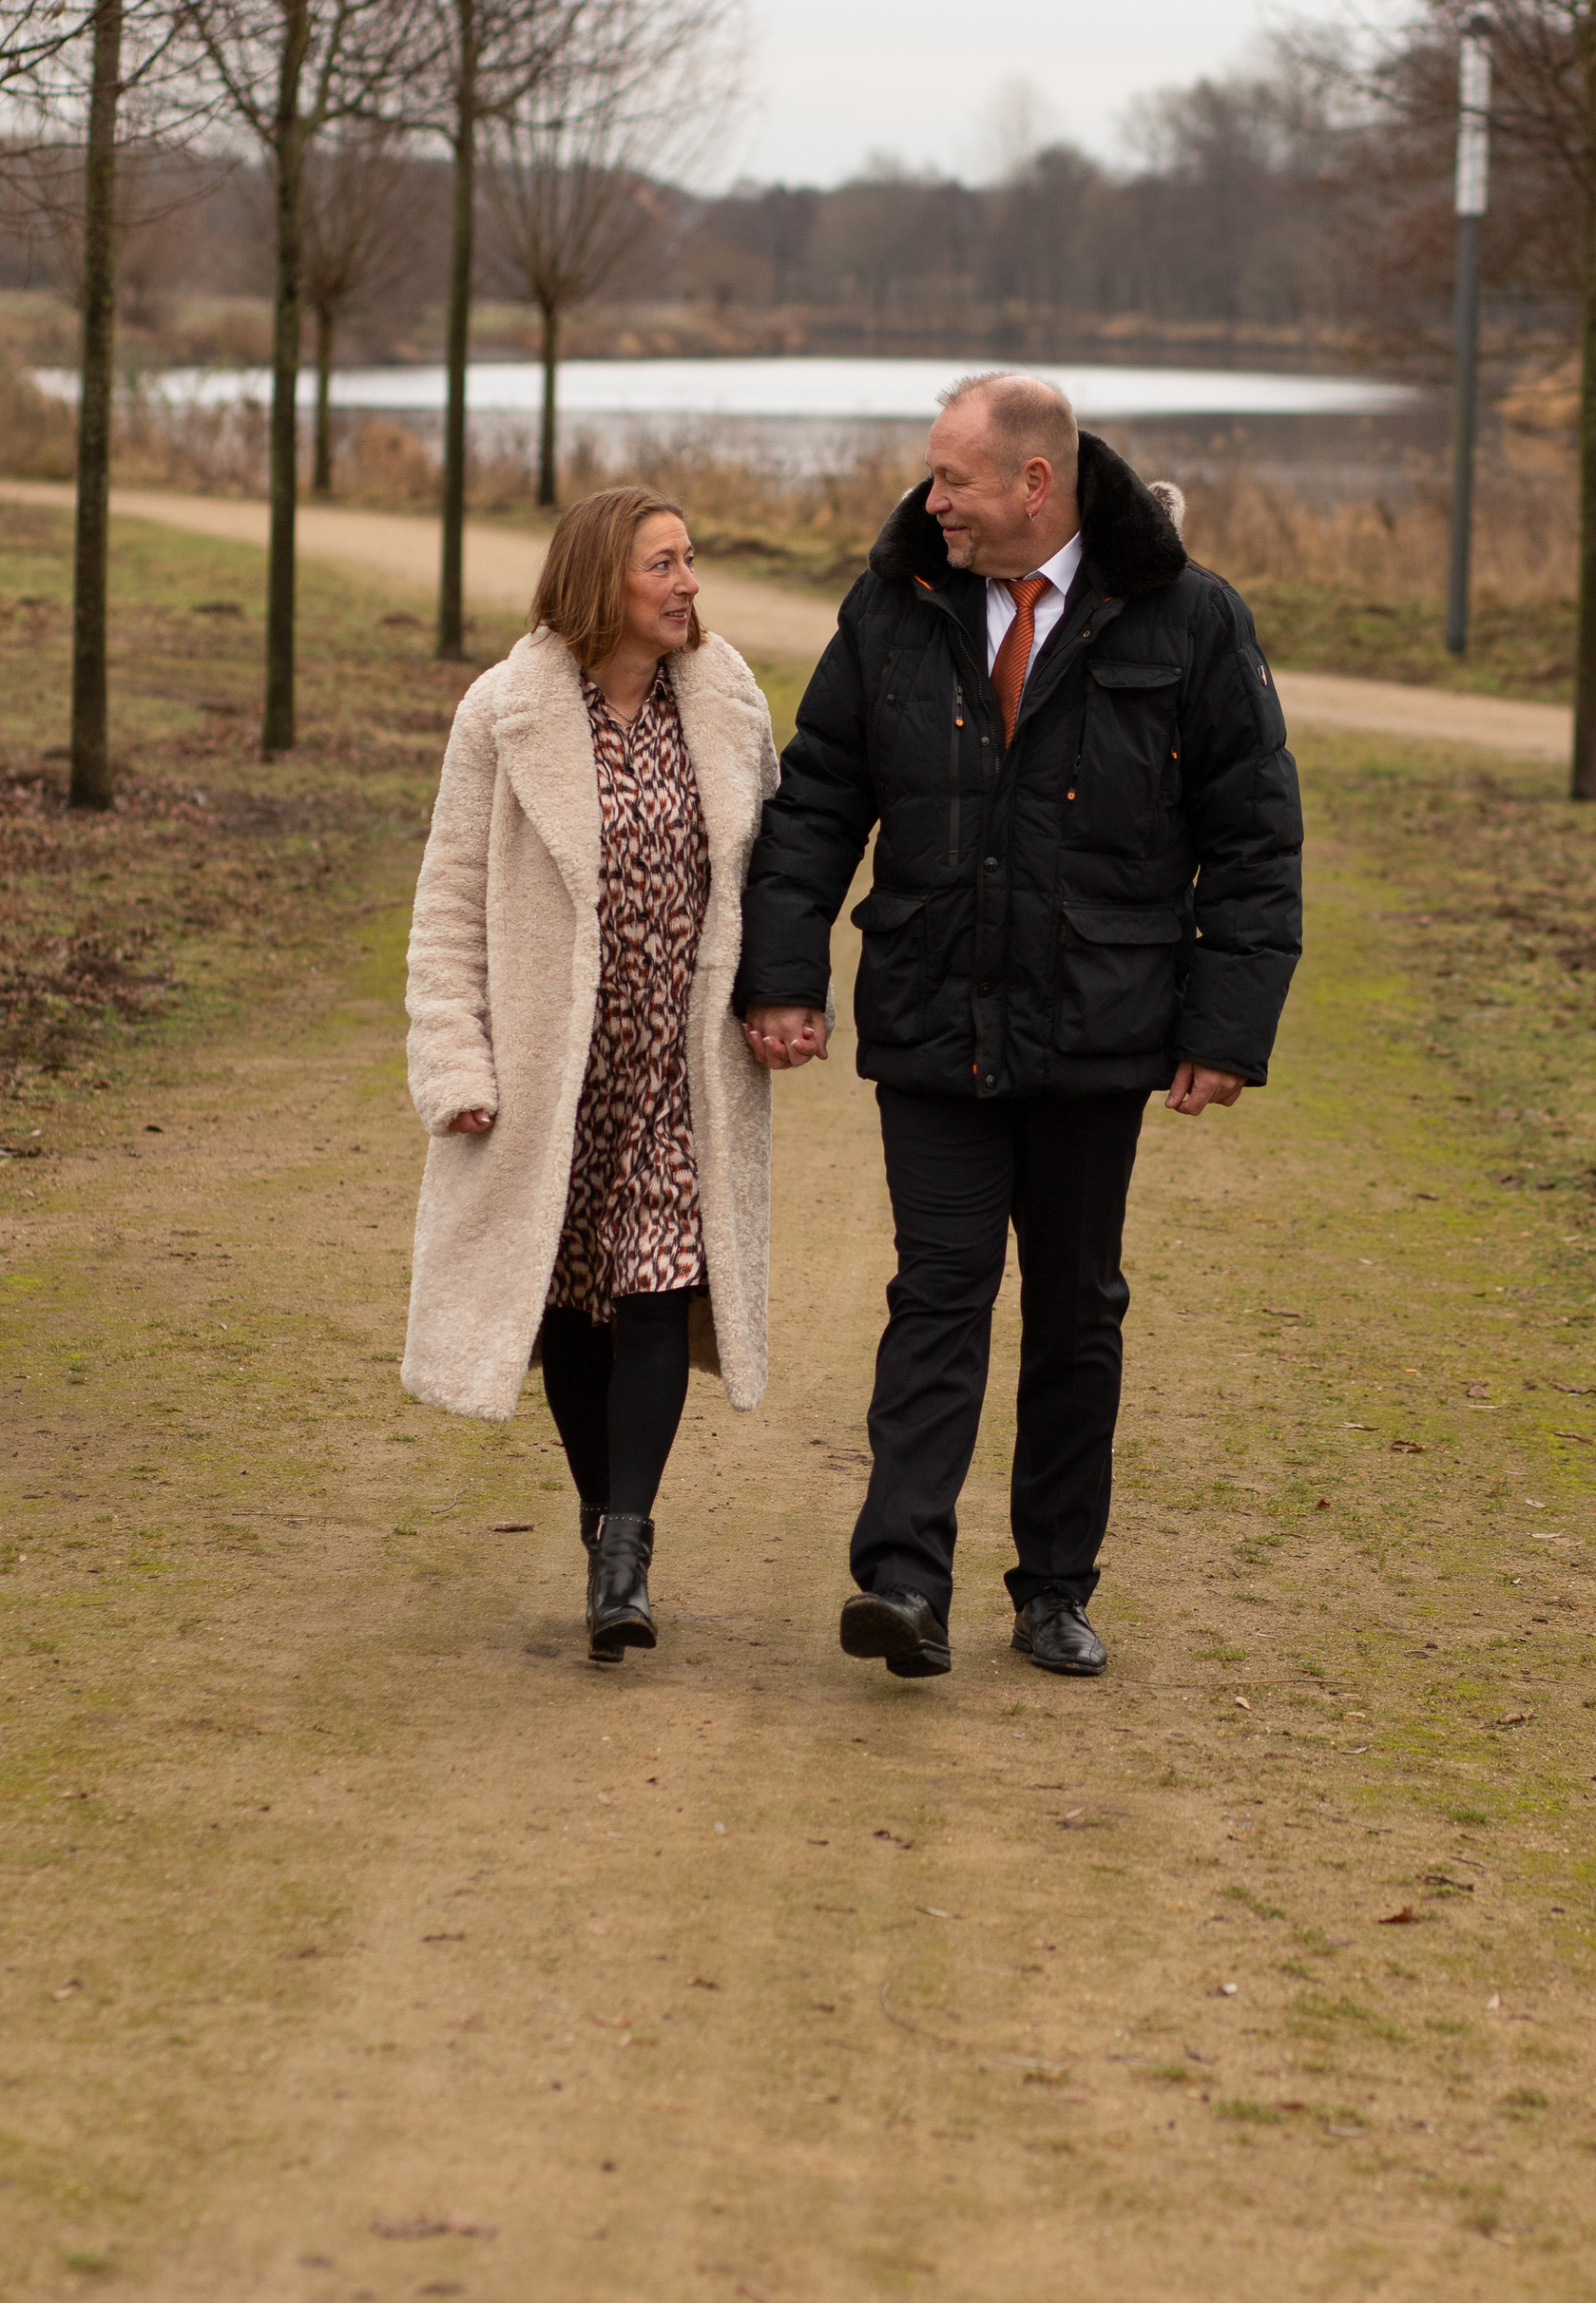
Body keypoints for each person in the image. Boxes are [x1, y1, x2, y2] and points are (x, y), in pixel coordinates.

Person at [736, 371, 1302, 1682]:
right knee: (936, 1290)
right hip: (934, 1012)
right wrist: (784, 974)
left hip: (1100, 1026)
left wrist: (1225, 1025)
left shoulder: (1191, 619)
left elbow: (1254, 836)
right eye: (933, 476)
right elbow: (819, 799)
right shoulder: (895, 606)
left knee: (1075, 1309)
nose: (931, 500)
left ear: (1034, 484)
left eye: (955, 479)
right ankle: (903, 1581)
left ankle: (1053, 1587)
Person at [402, 487, 779, 1664]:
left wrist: (781, 998)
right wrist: (452, 1058)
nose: (689, 584)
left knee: (659, 1285)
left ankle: (627, 1545)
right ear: (598, 584)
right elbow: (450, 897)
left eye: (691, 561)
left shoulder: (725, 700)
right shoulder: (504, 711)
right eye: (664, 565)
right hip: (550, 1071)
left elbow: (775, 881)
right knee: (574, 1301)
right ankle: (599, 1508)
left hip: (679, 1062)